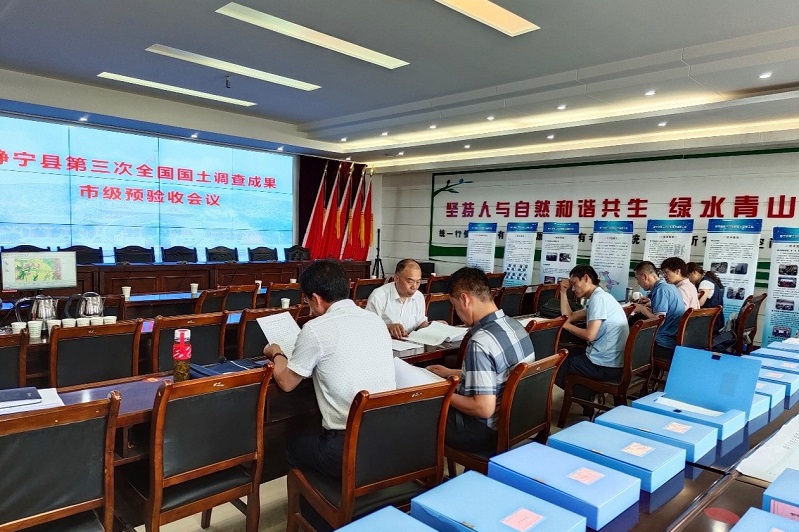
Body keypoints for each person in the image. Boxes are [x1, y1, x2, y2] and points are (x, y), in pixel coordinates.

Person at [263, 260, 395, 479]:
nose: (309, 307)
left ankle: (318, 497)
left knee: (292, 447)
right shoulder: (375, 320)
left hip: (347, 447)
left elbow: (286, 382)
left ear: (316, 299)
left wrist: (276, 352)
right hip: (388, 438)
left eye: (307, 301)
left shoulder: (316, 328)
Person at [427, 267, 534, 454]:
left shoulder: (480, 342)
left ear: (465, 299)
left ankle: (427, 468)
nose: (457, 313)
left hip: (485, 433)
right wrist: (450, 373)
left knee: (421, 412)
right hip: (518, 423)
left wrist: (440, 391)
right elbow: (498, 375)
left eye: (455, 306)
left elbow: (483, 408)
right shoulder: (515, 326)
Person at [554, 264, 630, 408]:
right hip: (613, 361)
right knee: (568, 352)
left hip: (605, 366)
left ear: (586, 278)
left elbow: (590, 336)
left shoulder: (598, 299)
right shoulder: (601, 296)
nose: (573, 289)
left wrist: (565, 326)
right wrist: (563, 292)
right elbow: (569, 316)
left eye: (574, 284)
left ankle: (588, 399)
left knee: (555, 364)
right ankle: (589, 396)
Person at [633, 261, 685, 362]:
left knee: (629, 338)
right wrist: (646, 308)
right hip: (673, 337)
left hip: (663, 342)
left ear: (644, 276)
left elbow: (659, 320)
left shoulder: (660, 290)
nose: (637, 283)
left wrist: (642, 309)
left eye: (637, 279)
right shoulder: (670, 286)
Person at [366, 258, 430, 339]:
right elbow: (368, 327)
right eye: (410, 282)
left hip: (411, 343)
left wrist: (434, 325)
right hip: (386, 342)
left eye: (418, 282)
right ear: (396, 279)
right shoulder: (378, 297)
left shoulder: (419, 297)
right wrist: (388, 327)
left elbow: (420, 324)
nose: (414, 287)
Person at [687, 262, 725, 335]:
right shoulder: (708, 279)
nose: (688, 279)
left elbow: (700, 303)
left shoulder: (704, 283)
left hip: (710, 322)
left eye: (688, 275)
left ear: (694, 272)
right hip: (715, 320)